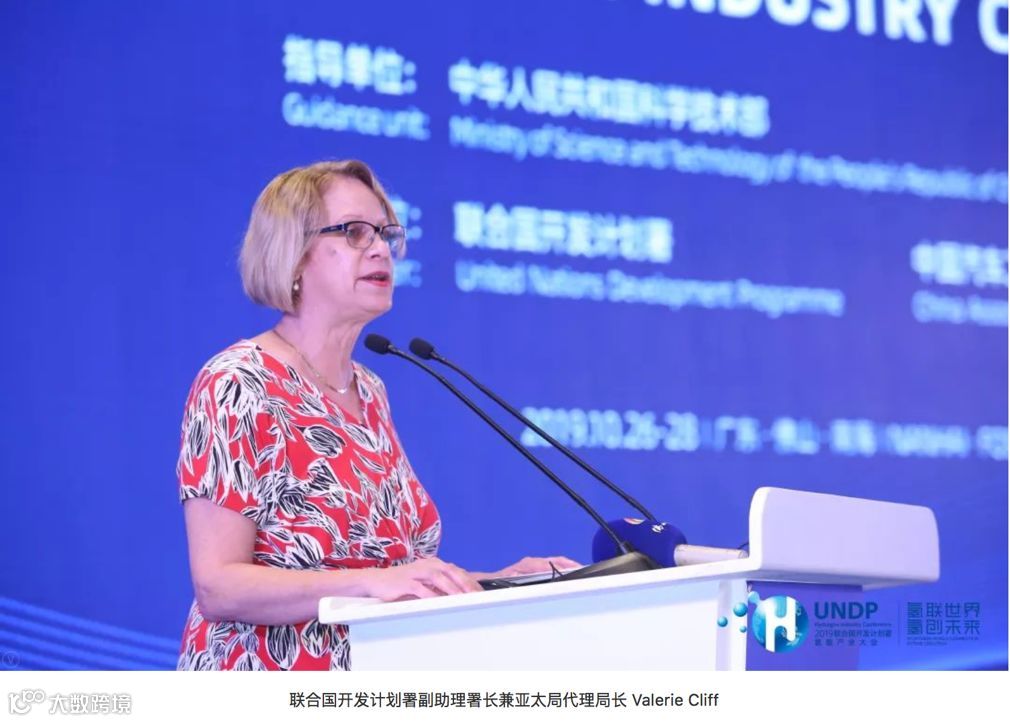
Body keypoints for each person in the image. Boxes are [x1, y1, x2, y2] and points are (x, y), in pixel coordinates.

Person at [176, 160, 577, 671]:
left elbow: (386, 574)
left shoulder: (368, 389)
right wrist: (373, 583)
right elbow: (219, 585)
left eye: (386, 233)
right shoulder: (239, 382)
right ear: (293, 254)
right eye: (354, 232)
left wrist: (499, 581)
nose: (380, 248)